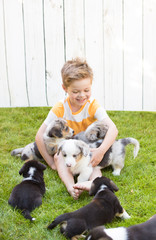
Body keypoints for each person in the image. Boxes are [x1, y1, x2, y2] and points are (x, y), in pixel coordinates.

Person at [35, 58, 118, 199]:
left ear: (91, 86)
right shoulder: (60, 108)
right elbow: (39, 136)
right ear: (65, 88)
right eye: (75, 91)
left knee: (94, 163)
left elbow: (113, 129)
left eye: (86, 90)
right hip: (70, 149)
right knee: (58, 157)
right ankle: (72, 187)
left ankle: (93, 183)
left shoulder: (92, 105)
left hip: (88, 148)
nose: (82, 95)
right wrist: (51, 163)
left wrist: (100, 151)